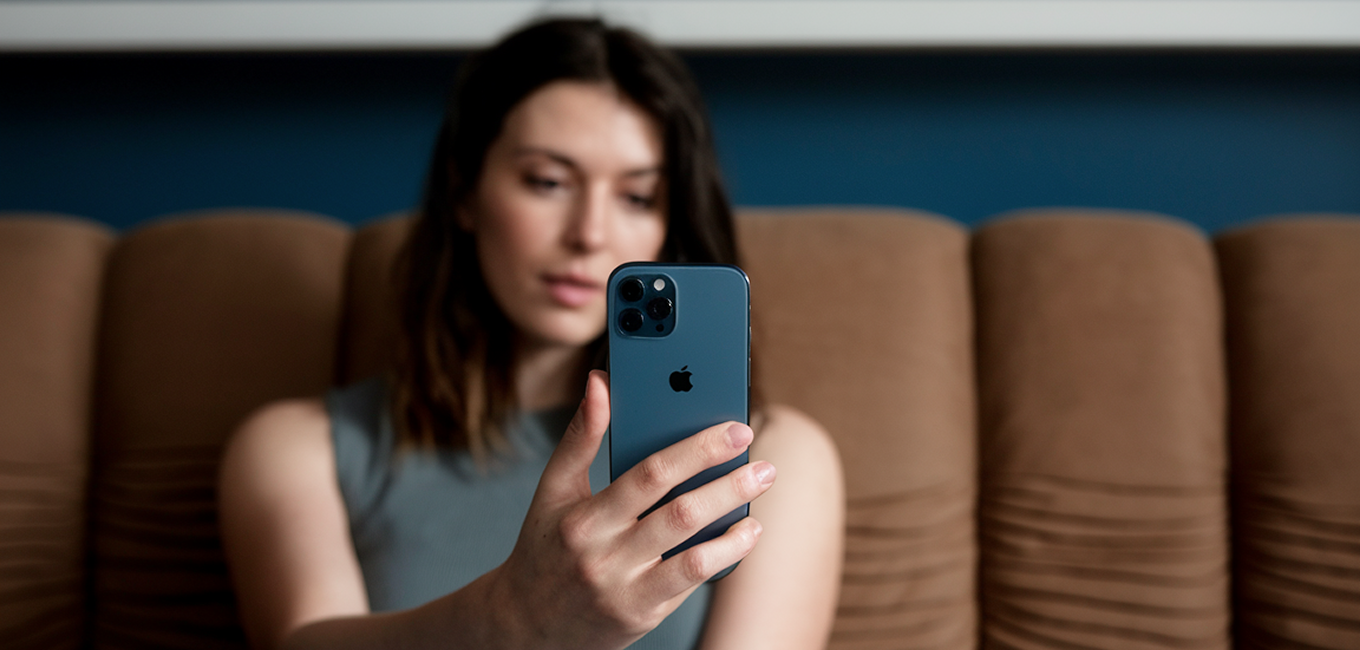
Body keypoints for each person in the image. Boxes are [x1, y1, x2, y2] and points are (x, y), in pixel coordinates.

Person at [218, 17, 843, 650]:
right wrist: (514, 616)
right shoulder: (297, 450)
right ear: (464, 191)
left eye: (638, 197)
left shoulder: (768, 460)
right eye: (548, 182)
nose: (589, 234)